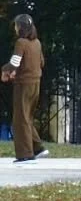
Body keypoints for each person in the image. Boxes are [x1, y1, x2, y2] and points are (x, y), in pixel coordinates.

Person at [2, 15, 47, 162]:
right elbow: (41, 62)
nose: (15, 28)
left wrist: (5, 70)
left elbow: (15, 62)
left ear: (20, 27)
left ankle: (25, 154)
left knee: (19, 119)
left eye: (16, 25)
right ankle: (38, 147)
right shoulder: (37, 43)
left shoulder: (21, 42)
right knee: (27, 116)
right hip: (36, 83)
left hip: (23, 85)